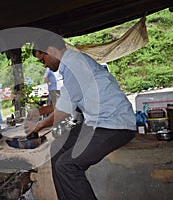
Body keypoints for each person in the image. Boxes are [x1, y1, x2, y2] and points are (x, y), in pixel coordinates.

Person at [24, 32, 136, 200]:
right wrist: (39, 112)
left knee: (66, 165)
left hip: (115, 125)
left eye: (43, 59)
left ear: (51, 50)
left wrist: (38, 126)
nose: (45, 65)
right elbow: (66, 100)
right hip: (97, 123)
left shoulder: (73, 64)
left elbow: (64, 111)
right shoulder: (72, 62)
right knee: (55, 151)